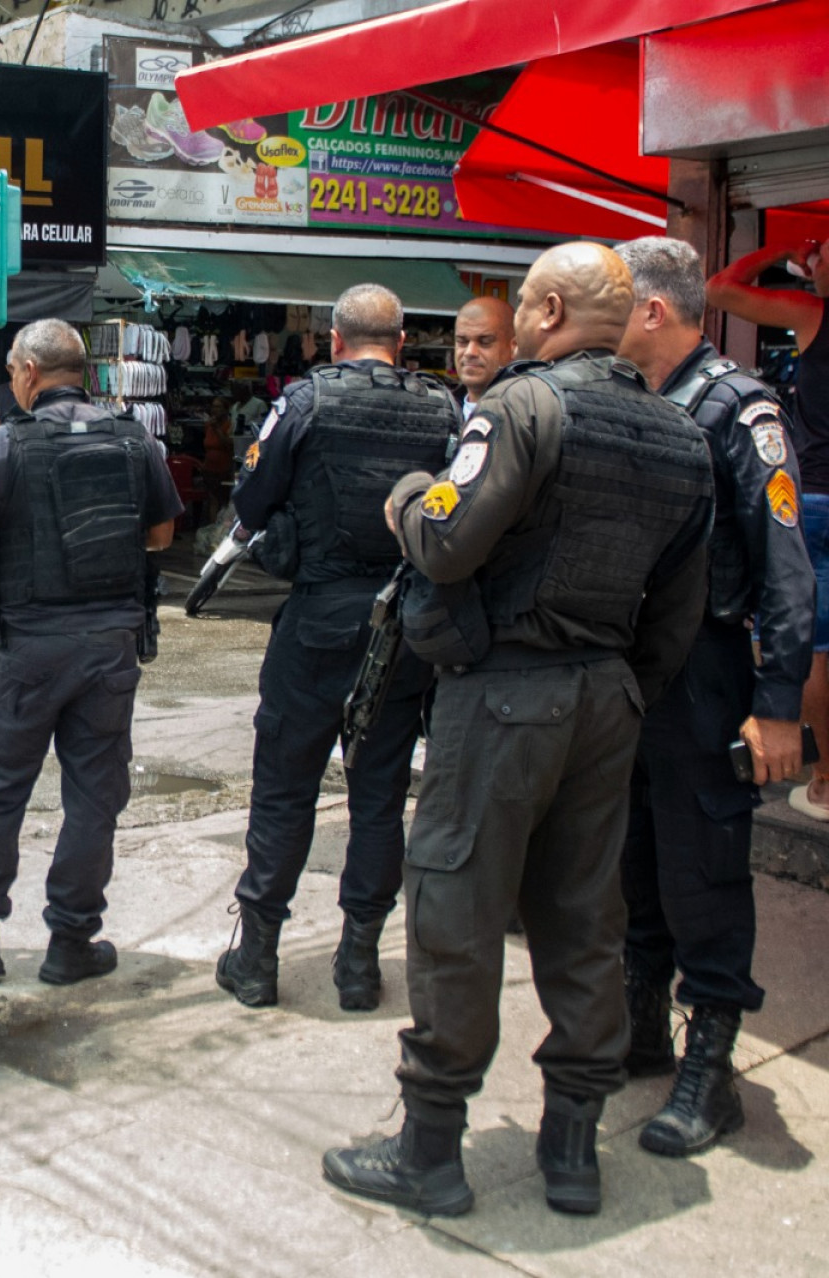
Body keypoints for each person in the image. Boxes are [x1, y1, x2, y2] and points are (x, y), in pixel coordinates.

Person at [323, 243, 714, 1219]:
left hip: (503, 698)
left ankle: (430, 1151)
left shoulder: (521, 409)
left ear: (543, 311)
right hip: (607, 701)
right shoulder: (681, 438)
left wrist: (410, 499)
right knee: (587, 922)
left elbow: (449, 542)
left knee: (455, 908)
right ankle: (573, 1152)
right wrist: (616, 689)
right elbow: (677, 614)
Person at [615, 235, 813, 1158]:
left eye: (613, 299)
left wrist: (778, 702)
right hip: (632, 672)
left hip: (705, 670)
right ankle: (644, 1025)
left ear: (653, 310)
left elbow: (784, 563)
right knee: (634, 857)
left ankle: (713, 1068)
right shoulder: (630, 401)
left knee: (703, 869)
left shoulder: (741, 408)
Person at [215, 284, 462, 1013]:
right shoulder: (444, 409)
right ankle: (358, 965)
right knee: (381, 795)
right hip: (402, 625)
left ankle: (258, 958)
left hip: (320, 617)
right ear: (403, 340)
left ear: (334, 339)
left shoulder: (306, 401)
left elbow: (251, 501)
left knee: (286, 786)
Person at [0, 319, 183, 986]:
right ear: (84, 371)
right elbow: (162, 534)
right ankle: (70, 942)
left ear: (25, 373)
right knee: (94, 797)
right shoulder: (136, 443)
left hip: (26, 649)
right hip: (109, 651)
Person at [708, 238, 829, 821]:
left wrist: (776, 247)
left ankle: (827, 779)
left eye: (820, 256)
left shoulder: (814, 313)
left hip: (817, 498)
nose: (812, 266)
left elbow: (720, 290)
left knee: (815, 641)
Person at [453, 296, 516, 420]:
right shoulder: (441, 412)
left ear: (514, 347)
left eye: (485, 342)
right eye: (462, 341)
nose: (470, 352)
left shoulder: (529, 417)